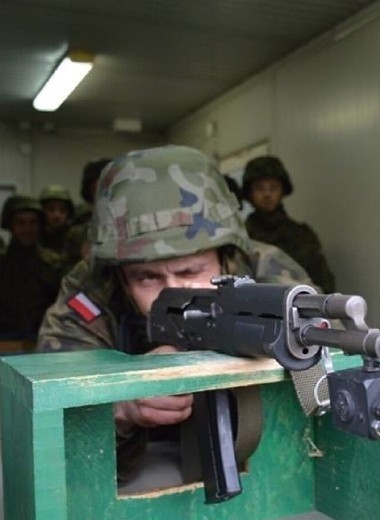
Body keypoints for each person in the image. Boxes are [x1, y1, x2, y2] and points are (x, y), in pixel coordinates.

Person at [36, 145, 313, 480]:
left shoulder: (270, 275)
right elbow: (53, 429)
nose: (172, 292)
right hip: (145, 465)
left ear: (226, 257)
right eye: (147, 277)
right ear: (121, 275)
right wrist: (121, 405)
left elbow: (324, 382)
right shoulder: (91, 294)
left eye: (190, 271)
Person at [241, 156, 336, 293]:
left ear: (282, 191)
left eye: (273, 188)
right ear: (249, 193)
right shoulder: (241, 236)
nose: (267, 194)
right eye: (259, 188)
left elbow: (322, 282)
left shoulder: (301, 235)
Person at [0, 195, 64, 339]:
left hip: (45, 337)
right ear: (10, 226)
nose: (27, 229)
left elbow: (70, 299)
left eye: (33, 223)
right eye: (20, 223)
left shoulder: (53, 263)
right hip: (1, 339)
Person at [63, 158, 112, 268]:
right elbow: (67, 278)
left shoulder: (135, 229)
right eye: (97, 192)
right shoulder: (78, 236)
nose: (104, 199)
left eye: (108, 191)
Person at [38, 183, 75, 255]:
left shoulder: (74, 238)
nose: (57, 215)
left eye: (62, 210)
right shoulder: (34, 236)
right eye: (51, 209)